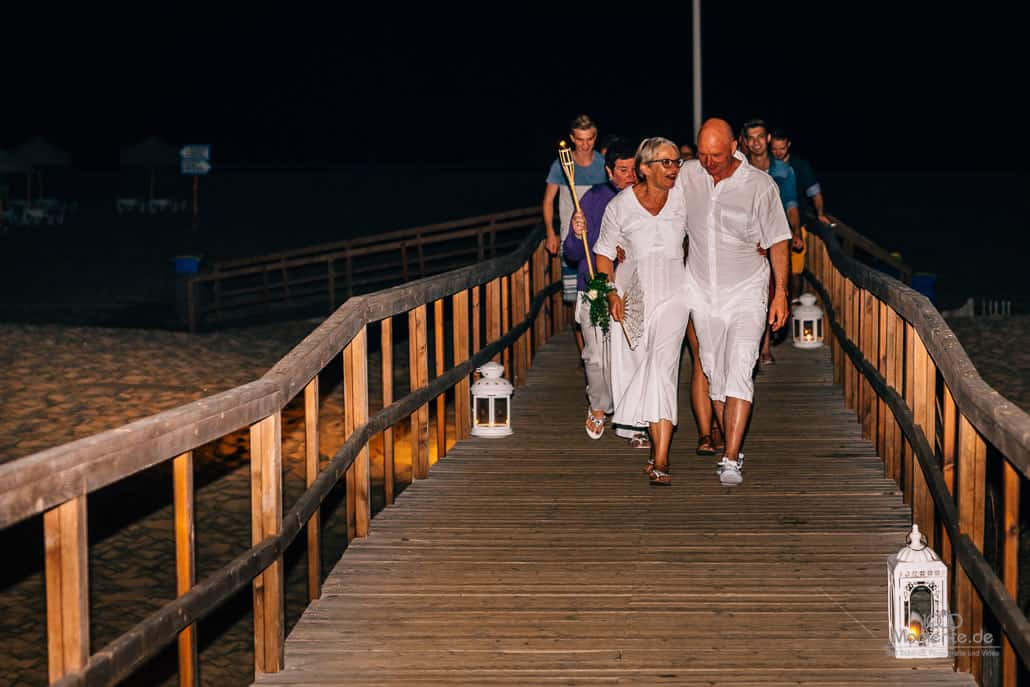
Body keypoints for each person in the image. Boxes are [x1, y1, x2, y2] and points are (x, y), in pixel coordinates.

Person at [677, 119, 792, 486]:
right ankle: (732, 442)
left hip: (746, 290)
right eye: (702, 154)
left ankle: (730, 459)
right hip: (700, 290)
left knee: (741, 367)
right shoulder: (688, 175)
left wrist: (781, 294)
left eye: (716, 155)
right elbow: (653, 203)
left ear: (734, 147)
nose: (708, 162)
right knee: (713, 371)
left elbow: (778, 240)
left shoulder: (760, 186)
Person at [594, 137, 690, 486]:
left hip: (676, 294)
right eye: (666, 163)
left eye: (677, 162)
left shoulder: (683, 196)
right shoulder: (620, 206)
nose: (674, 169)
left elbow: (717, 219)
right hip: (633, 297)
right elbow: (603, 252)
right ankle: (654, 445)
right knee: (643, 367)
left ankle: (662, 458)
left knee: (663, 368)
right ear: (645, 168)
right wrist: (608, 292)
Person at [564, 139, 642, 443]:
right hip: (594, 289)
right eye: (623, 170)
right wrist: (575, 231)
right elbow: (572, 253)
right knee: (595, 357)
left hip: (632, 290)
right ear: (609, 171)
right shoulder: (594, 199)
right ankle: (598, 406)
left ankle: (636, 418)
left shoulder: (645, 198)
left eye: (634, 169)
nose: (630, 176)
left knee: (633, 356)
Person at [741, 118, 803, 363]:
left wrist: (796, 231)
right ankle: (748, 345)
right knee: (748, 292)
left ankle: (764, 345)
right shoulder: (740, 168)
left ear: (767, 138)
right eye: (751, 138)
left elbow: (791, 205)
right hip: (746, 238)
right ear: (745, 141)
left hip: (773, 238)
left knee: (770, 290)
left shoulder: (784, 171)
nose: (756, 143)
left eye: (760, 137)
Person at [541, 115, 608, 307]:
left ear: (595, 138)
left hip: (600, 241)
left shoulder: (603, 164)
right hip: (571, 241)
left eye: (589, 139)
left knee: (601, 297)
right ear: (572, 138)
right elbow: (547, 201)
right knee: (577, 300)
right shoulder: (561, 163)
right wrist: (550, 233)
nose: (585, 145)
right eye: (580, 139)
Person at [770, 129, 830, 299]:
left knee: (796, 269)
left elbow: (815, 192)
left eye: (781, 148)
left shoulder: (800, 166)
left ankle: (794, 305)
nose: (778, 153)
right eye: (774, 149)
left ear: (788, 144)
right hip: (772, 226)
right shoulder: (767, 165)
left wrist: (820, 213)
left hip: (797, 223)